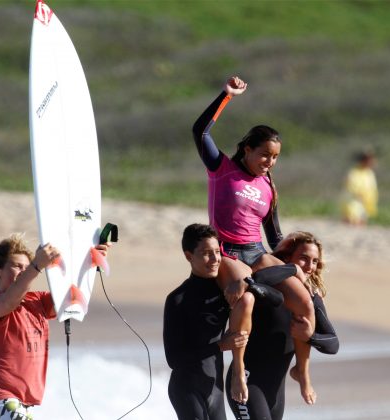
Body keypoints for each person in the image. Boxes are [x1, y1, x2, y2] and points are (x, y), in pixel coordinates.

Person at [192, 76, 317, 404]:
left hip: (257, 253)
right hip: (228, 252)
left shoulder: (269, 187)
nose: (269, 162)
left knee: (305, 296)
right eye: (264, 155)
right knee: (245, 299)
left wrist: (295, 260)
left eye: (275, 157)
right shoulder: (221, 169)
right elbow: (200, 132)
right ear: (247, 149)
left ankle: (302, 369)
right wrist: (226, 96)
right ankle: (238, 370)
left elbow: (274, 234)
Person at [0, 234, 111, 420]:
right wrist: (36, 265)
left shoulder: (37, 301)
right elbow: (9, 301)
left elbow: (72, 295)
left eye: (26, 267)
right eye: (18, 266)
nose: (23, 271)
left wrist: (90, 263)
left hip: (20, 402)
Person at [163, 223, 292, 420]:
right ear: (189, 256)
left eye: (217, 252)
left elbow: (279, 291)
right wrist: (221, 345)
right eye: (207, 253)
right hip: (186, 389)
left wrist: (247, 282)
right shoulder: (178, 299)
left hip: (214, 388)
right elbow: (174, 360)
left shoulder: (224, 291)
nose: (215, 260)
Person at [226, 231, 339, 420]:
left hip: (276, 390)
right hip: (247, 381)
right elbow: (256, 278)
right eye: (303, 259)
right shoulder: (272, 288)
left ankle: (302, 373)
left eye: (314, 262)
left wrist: (309, 336)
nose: (309, 267)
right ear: (287, 257)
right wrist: (293, 269)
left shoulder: (311, 298)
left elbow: (333, 344)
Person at [341, 149, 379, 225]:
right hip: (354, 201)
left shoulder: (369, 173)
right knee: (352, 220)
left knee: (362, 221)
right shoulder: (354, 172)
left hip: (366, 202)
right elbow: (350, 186)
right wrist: (358, 194)